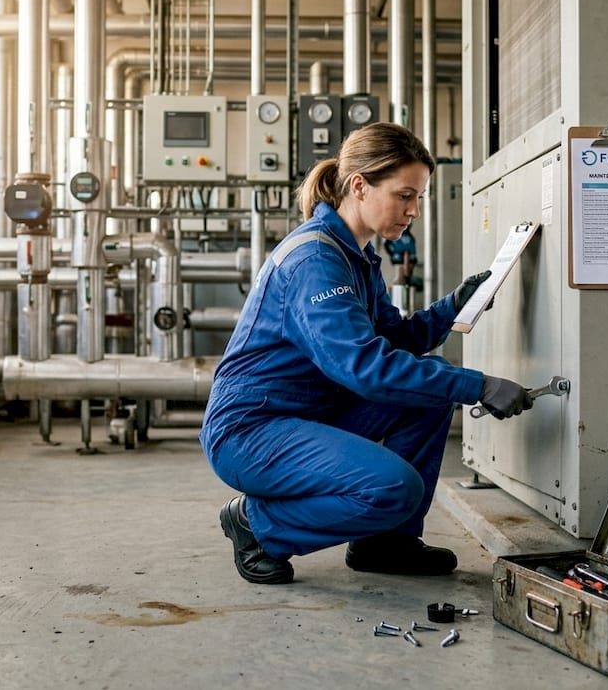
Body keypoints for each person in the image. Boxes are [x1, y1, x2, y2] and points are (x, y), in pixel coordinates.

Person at [199, 122, 532, 585]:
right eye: (404, 196)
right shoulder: (315, 260)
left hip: (310, 413)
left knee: (429, 387)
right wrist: (478, 386)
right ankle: (257, 526)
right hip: (251, 431)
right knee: (394, 487)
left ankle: (386, 542)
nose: (414, 210)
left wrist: (453, 306)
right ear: (359, 185)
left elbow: (390, 340)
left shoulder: (355, 254)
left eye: (418, 198)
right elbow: (366, 368)